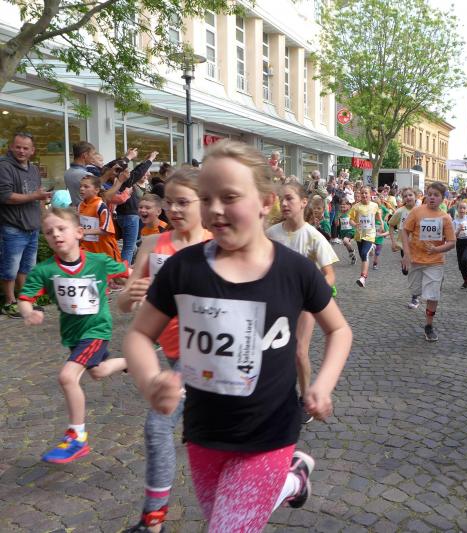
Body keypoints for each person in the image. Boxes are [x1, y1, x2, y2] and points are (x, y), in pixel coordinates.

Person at [122, 140, 352, 531]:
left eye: (229, 197)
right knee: (219, 518)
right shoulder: (183, 269)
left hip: (270, 433)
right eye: (206, 198)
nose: (214, 209)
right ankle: (292, 482)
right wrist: (150, 380)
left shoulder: (294, 270)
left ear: (265, 202)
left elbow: (340, 329)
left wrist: (322, 386)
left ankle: (286, 476)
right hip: (204, 432)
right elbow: (139, 335)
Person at [118, 169, 212, 533]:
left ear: (203, 203)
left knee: (159, 426)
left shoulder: (217, 243)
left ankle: (153, 520)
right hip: (172, 351)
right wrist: (131, 294)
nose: (174, 209)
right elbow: (125, 306)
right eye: (169, 202)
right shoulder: (152, 244)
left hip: (204, 354)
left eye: (183, 202)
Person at [18, 208, 128, 463]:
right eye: (49, 232)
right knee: (98, 372)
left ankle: (77, 437)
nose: (55, 235)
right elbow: (25, 297)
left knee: (67, 377)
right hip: (73, 334)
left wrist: (138, 287)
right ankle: (131, 362)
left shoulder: (98, 262)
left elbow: (128, 272)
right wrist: (28, 312)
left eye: (61, 229)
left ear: (79, 233)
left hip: (97, 330)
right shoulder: (44, 270)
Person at [267, 182, 339, 424]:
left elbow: (329, 275)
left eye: (289, 198)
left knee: (299, 351)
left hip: (304, 305)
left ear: (303, 202)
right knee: (272, 350)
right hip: (275, 301)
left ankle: (305, 398)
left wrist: (312, 294)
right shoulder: (271, 234)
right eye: (281, 199)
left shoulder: (314, 236)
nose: (284, 203)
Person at [0, 132, 51, 317]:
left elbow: (38, 196)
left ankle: (25, 300)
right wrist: (35, 196)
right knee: (10, 269)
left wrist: (44, 216)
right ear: (11, 147)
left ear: (32, 150)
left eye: (25, 148)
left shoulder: (34, 169)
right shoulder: (4, 167)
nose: (21, 151)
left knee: (27, 267)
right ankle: (9, 303)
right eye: (18, 147)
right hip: (12, 226)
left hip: (32, 226)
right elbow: (5, 197)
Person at [401, 182, 456, 342]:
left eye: (436, 195)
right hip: (416, 260)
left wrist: (437, 249)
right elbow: (405, 231)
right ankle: (424, 292)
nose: (432, 197)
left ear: (442, 199)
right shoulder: (417, 211)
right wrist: (406, 253)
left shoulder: (445, 218)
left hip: (435, 262)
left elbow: (452, 242)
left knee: (432, 295)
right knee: (416, 290)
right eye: (430, 194)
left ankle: (429, 326)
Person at [78, 175, 122, 262]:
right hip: (87, 251)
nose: (82, 189)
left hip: (104, 252)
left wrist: (84, 231)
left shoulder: (100, 206)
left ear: (96, 190)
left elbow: (105, 230)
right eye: (81, 186)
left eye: (86, 186)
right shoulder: (80, 206)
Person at [350, 187, 382, 287]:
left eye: (366, 193)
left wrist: (381, 223)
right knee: (362, 255)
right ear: (360, 194)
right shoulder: (356, 207)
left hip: (370, 234)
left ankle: (363, 277)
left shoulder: (374, 205)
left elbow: (378, 215)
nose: (364, 195)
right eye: (362, 193)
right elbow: (350, 220)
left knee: (364, 254)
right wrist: (354, 224)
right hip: (359, 235)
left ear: (370, 194)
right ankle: (372, 247)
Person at [388, 187, 417, 278]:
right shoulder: (400, 211)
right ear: (403, 199)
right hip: (404, 245)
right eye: (405, 196)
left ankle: (416, 282)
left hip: (417, 244)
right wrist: (393, 242)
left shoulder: (421, 210)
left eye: (410, 195)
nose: (408, 197)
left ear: (415, 196)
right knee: (406, 270)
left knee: (416, 267)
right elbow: (391, 225)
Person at [64, 141, 97, 207]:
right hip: (87, 210)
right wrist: (118, 182)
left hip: (77, 209)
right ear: (85, 155)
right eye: (93, 154)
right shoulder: (85, 174)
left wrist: (107, 174)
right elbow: (105, 195)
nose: (94, 157)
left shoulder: (67, 172)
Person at [336, 198, 357, 264]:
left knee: (345, 241)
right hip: (343, 232)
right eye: (341, 204)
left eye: (344, 204)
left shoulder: (350, 212)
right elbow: (337, 224)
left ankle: (352, 251)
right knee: (346, 244)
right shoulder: (339, 213)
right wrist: (337, 218)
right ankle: (353, 256)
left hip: (351, 230)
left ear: (348, 205)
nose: (342, 205)